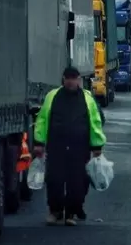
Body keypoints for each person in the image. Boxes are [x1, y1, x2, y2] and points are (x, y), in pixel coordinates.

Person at [33, 66, 106, 226]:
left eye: (74, 78)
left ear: (79, 79)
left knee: (78, 182)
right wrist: (39, 143)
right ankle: (55, 211)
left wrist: (97, 145)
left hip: (79, 149)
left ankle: (71, 213)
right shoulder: (52, 97)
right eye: (69, 78)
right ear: (63, 79)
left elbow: (95, 123)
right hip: (56, 148)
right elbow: (43, 120)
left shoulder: (87, 99)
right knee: (54, 180)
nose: (71, 81)